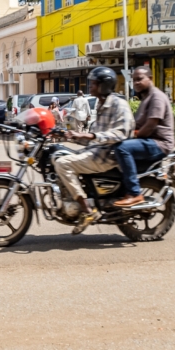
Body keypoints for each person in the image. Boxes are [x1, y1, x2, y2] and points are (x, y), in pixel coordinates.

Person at [53, 66, 134, 234]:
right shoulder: (101, 103)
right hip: (96, 150)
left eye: (94, 84)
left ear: (104, 85)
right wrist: (71, 136)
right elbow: (94, 133)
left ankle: (88, 211)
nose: (91, 87)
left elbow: (122, 133)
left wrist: (90, 136)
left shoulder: (119, 104)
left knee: (63, 164)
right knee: (56, 154)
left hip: (107, 155)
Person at [113, 67, 175, 207]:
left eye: (140, 79)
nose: (136, 82)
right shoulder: (146, 98)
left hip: (160, 143)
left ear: (151, 79)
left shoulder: (156, 97)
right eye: (134, 80)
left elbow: (150, 125)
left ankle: (135, 194)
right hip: (149, 141)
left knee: (123, 149)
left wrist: (133, 135)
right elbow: (137, 124)